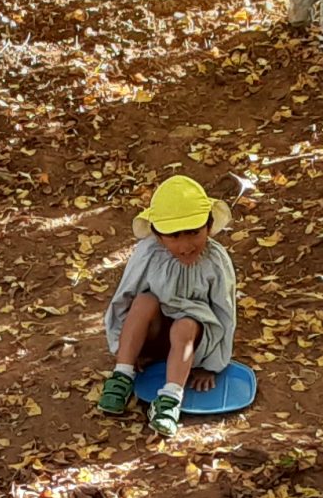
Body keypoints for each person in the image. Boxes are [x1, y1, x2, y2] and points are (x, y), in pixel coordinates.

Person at [100, 175, 241, 438]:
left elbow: (225, 312)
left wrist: (210, 365)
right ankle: (122, 375)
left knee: (185, 324)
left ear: (208, 227)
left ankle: (170, 399)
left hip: (193, 341)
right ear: (158, 235)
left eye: (193, 233)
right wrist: (125, 347)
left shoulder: (216, 261)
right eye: (174, 236)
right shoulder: (148, 254)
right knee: (144, 301)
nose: (185, 245)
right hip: (154, 335)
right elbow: (124, 300)